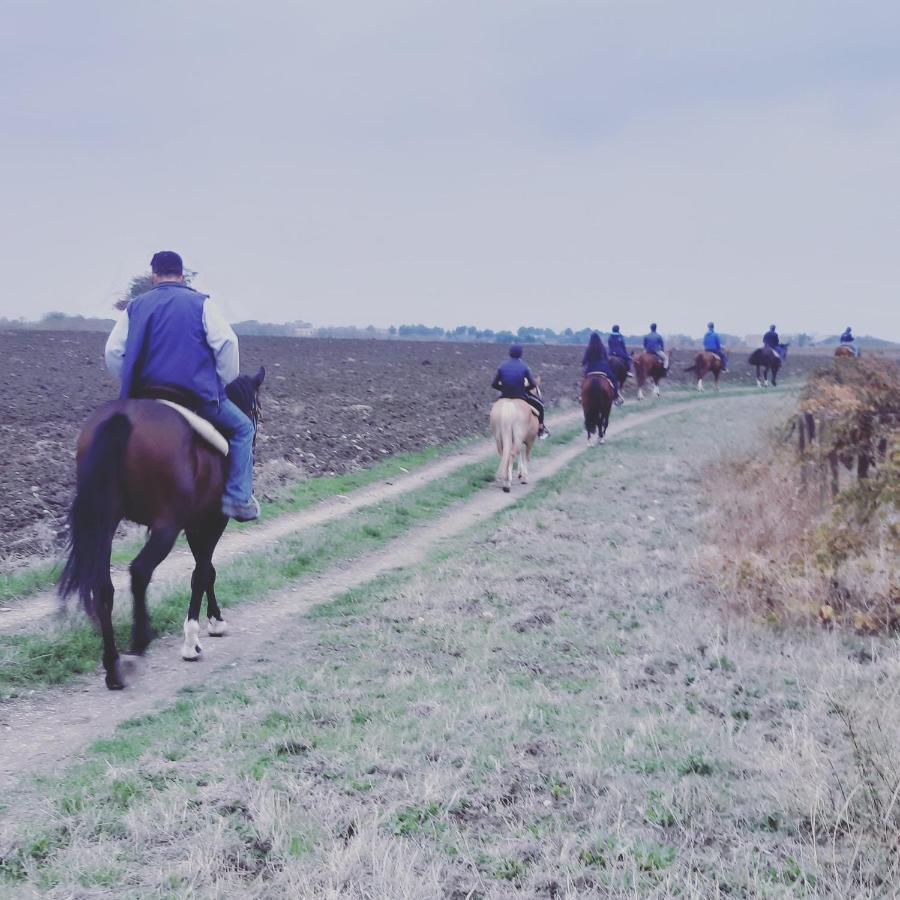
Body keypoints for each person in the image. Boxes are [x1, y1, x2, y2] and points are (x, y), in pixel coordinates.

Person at [105, 250, 260, 521]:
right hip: (195, 398)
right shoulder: (201, 304)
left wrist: (131, 380)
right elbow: (228, 343)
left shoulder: (135, 307)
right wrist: (219, 383)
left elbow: (113, 352)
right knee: (244, 428)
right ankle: (238, 498)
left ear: (154, 275)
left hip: (144, 400)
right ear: (182, 275)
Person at [491, 343, 549, 437]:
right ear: (521, 354)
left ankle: (495, 428)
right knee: (541, 406)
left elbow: (494, 384)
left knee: (494, 409)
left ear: (509, 353)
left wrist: (503, 389)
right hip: (520, 395)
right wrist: (524, 389)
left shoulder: (502, 366)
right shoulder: (524, 367)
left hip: (504, 395)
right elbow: (533, 384)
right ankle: (541, 429)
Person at [582, 332, 624, 406]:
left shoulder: (589, 348)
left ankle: (581, 396)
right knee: (613, 380)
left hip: (590, 369)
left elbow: (584, 360)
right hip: (602, 368)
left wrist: (584, 364)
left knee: (584, 381)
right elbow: (607, 359)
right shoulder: (602, 347)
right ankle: (616, 396)